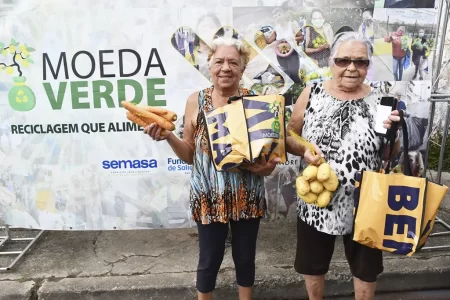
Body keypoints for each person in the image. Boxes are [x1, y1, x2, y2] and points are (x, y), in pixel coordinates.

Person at [145, 36, 280, 300]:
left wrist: (260, 168)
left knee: (245, 258)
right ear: (210, 66)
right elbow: (189, 155)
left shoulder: (258, 103)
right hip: (208, 194)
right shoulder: (195, 101)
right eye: (219, 61)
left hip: (246, 194)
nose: (225, 68)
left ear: (242, 69)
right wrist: (168, 136)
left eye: (233, 62)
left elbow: (268, 167)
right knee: (208, 259)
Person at [286, 32, 402, 300]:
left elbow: (388, 154)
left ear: (368, 65)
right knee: (313, 266)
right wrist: (304, 151)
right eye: (343, 60)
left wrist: (393, 134)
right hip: (316, 199)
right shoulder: (311, 92)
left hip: (366, 202)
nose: (351, 67)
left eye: (360, 62)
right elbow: (290, 135)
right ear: (331, 63)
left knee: (366, 270)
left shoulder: (383, 100)